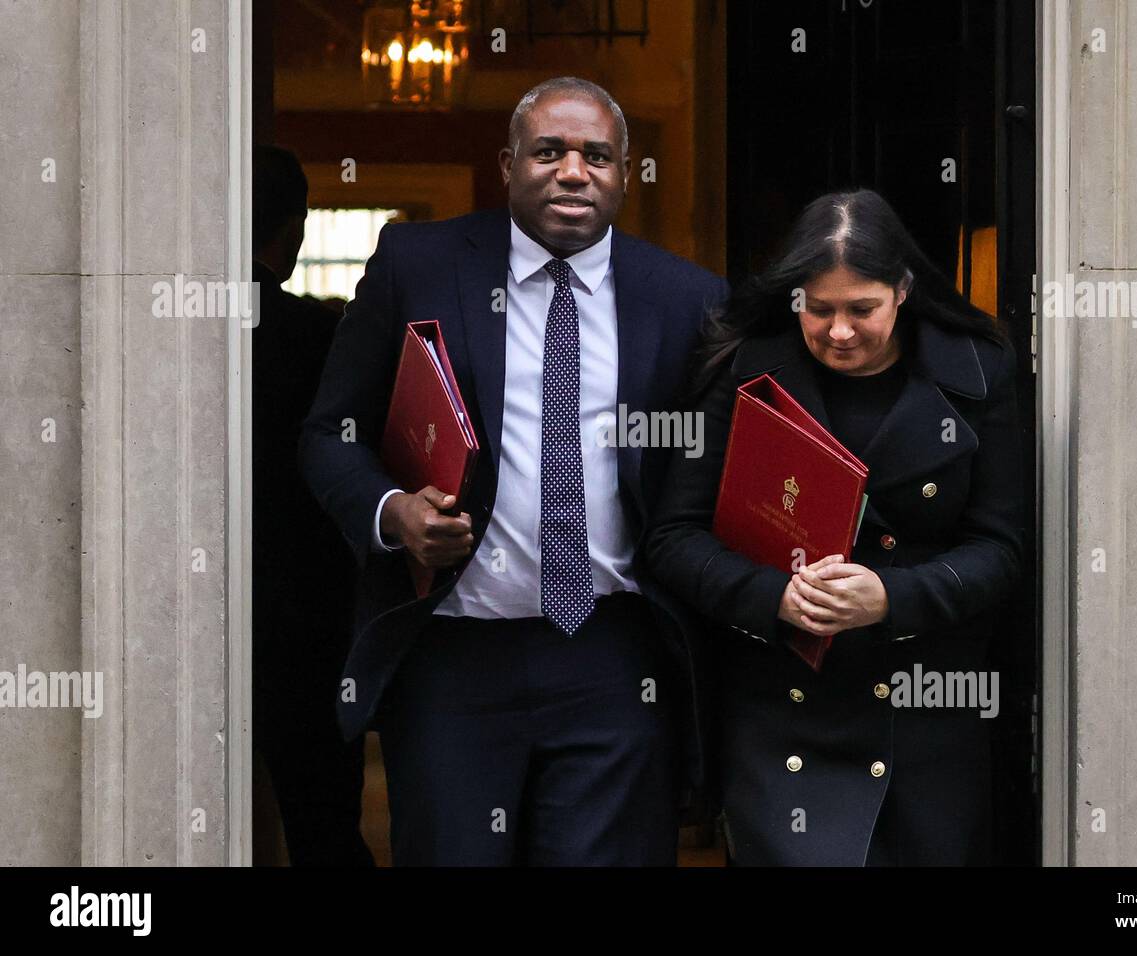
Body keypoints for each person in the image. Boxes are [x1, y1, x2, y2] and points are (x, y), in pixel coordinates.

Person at [298, 77, 727, 866]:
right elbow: (330, 433)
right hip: (455, 657)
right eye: (550, 151)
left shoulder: (687, 301)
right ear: (508, 164)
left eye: (597, 156)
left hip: (617, 657)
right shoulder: (417, 265)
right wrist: (392, 511)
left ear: (625, 175)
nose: (574, 171)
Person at [643, 189, 1024, 866]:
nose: (838, 331)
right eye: (819, 310)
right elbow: (674, 539)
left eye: (861, 310)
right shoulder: (743, 373)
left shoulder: (977, 373)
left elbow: (1000, 549)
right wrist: (774, 599)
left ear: (902, 291)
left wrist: (892, 598)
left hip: (925, 719)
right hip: (783, 717)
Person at [251, 145, 373, 866]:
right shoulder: (320, 338)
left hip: (181, 609)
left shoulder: (161, 329)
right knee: (323, 827)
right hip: (310, 616)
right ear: (293, 230)